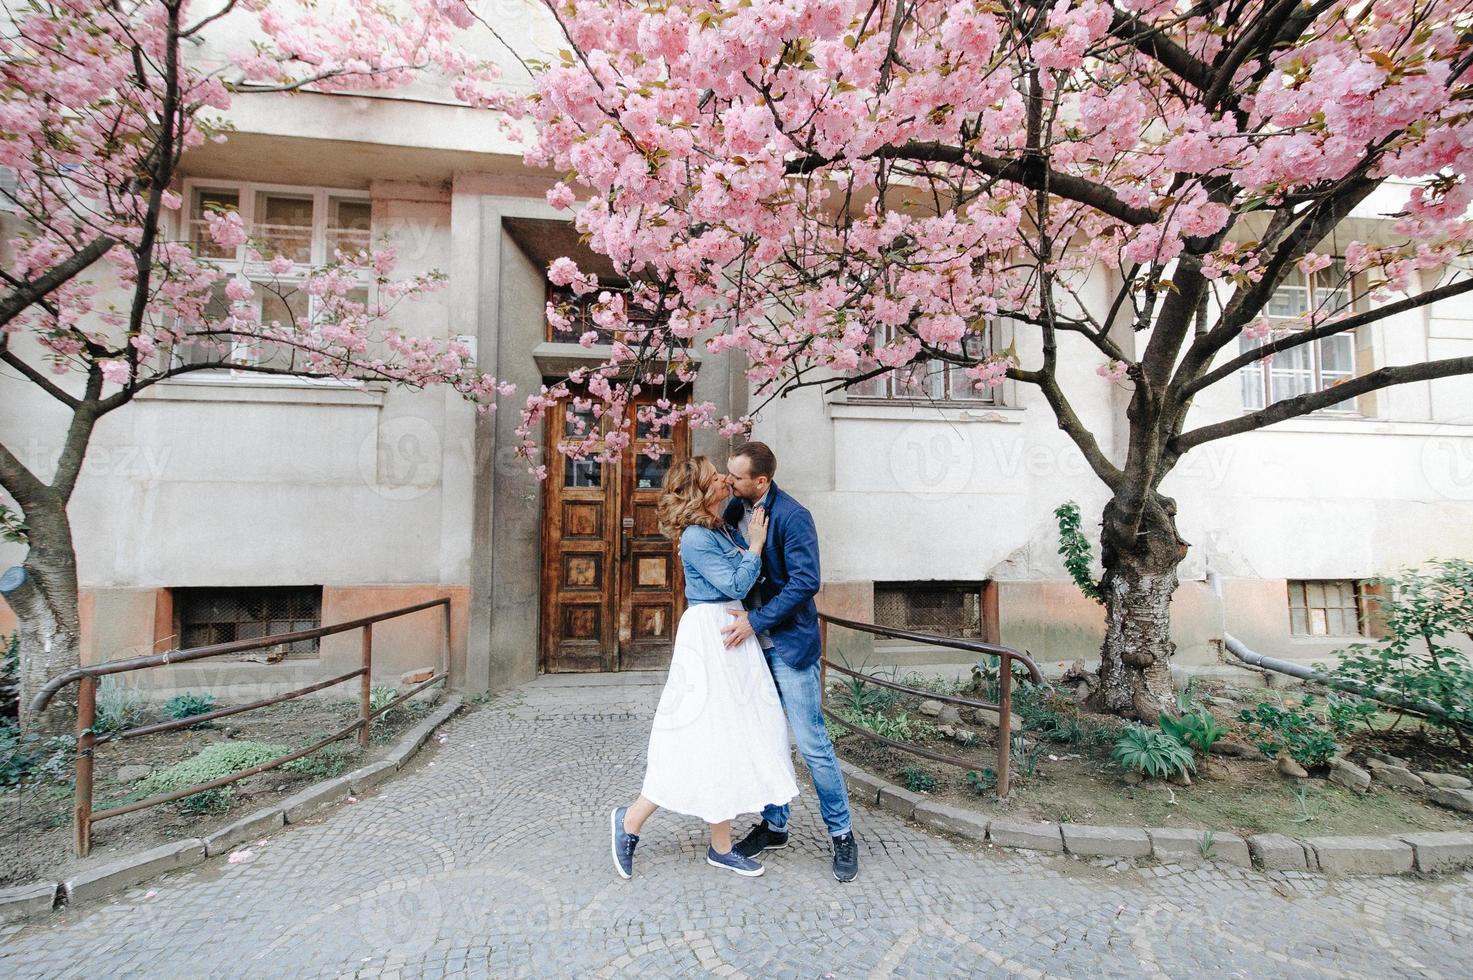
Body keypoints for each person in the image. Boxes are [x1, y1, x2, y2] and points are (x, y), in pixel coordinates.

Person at [610, 456, 799, 879]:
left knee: (729, 736)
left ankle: (720, 846)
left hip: (731, 631)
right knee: (699, 733)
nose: (725, 480)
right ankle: (629, 821)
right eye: (716, 477)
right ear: (701, 491)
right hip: (712, 633)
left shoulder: (720, 526)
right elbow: (735, 584)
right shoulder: (697, 536)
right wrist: (753, 547)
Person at [719, 441, 859, 883]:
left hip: (787, 647)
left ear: (760, 481)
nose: (728, 480)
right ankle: (774, 825)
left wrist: (756, 620)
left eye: (736, 476)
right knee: (766, 738)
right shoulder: (730, 509)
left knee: (812, 744)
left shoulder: (794, 516)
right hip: (749, 647)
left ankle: (842, 834)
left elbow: (805, 582)